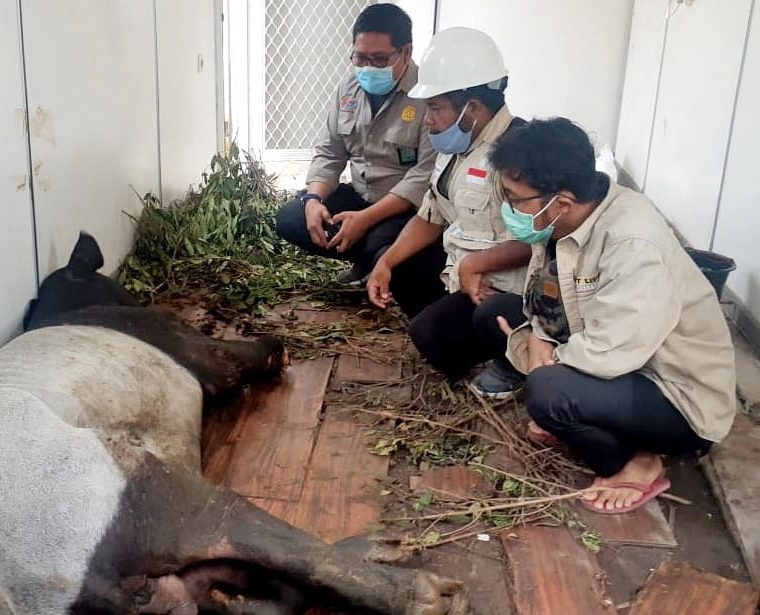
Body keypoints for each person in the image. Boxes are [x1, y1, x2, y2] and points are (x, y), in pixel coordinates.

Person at [483, 117, 736, 514]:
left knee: (548, 394)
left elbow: (612, 351)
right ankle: (582, 412)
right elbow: (546, 301)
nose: (508, 207)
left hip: (676, 394)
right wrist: (537, 335)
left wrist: (542, 365)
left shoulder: (633, 241)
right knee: (493, 312)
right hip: (621, 361)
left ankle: (638, 461)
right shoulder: (564, 219)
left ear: (561, 200)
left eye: (515, 199)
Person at [365, 27, 531, 396]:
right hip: (461, 272)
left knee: (429, 334)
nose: (428, 120)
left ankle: (511, 360)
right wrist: (387, 263)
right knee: (394, 263)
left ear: (471, 108)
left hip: (505, 289)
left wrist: (476, 265)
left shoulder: (519, 154)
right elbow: (431, 215)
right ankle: (462, 331)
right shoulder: (456, 144)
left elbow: (539, 240)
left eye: (436, 108)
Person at [274, 3, 435, 285]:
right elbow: (330, 152)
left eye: (379, 59)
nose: (367, 68)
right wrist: (313, 200)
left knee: (395, 248)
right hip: (360, 195)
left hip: (403, 209)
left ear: (405, 52)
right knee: (291, 218)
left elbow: (423, 176)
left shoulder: (428, 96)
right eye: (359, 58)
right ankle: (368, 257)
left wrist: (367, 219)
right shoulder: (348, 86)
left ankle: (379, 258)